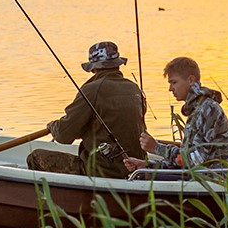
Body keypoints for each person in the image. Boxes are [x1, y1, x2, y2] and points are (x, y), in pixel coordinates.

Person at [28, 41, 147, 179]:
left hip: (103, 171)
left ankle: (55, 199)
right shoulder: (134, 89)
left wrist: (52, 126)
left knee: (35, 157)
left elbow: (64, 135)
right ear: (118, 64)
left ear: (92, 69)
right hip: (137, 167)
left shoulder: (91, 90)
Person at [124, 56, 228, 173]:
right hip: (203, 178)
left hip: (221, 180)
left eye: (174, 82)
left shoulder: (207, 109)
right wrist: (147, 166)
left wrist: (157, 148)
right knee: (143, 175)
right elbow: (185, 162)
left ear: (190, 80)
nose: (170, 89)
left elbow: (195, 160)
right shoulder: (196, 109)